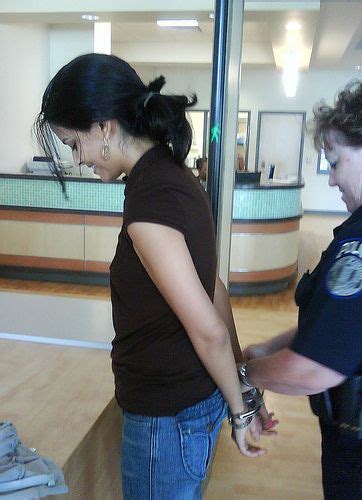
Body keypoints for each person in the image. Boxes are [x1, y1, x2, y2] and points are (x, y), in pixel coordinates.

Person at [34, 53, 277, 500]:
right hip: (186, 407)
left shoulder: (150, 202)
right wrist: (241, 384)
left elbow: (208, 331)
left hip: (165, 420)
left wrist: (241, 411)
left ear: (104, 128)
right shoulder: (172, 177)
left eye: (73, 144)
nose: (77, 159)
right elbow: (214, 290)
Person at [239, 79, 362, 499]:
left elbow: (312, 369)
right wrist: (267, 350)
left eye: (335, 163)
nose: (332, 180)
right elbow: (343, 331)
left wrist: (244, 375)